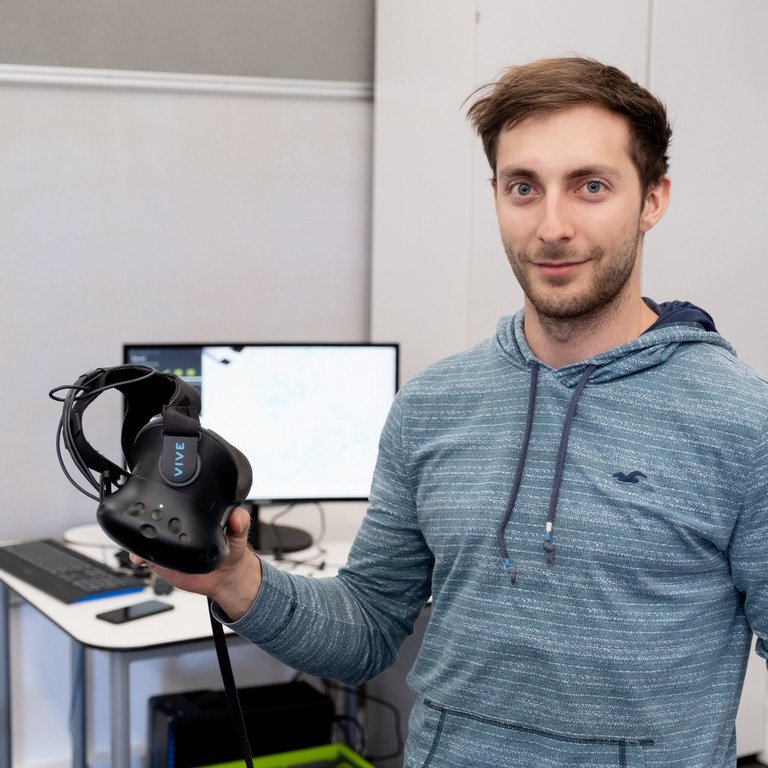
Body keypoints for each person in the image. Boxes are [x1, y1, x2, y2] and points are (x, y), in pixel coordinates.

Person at [139, 57, 768, 767]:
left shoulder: (741, 420)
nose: (552, 226)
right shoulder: (434, 405)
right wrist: (231, 576)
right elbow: (367, 629)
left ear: (653, 199)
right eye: (523, 187)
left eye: (591, 186)